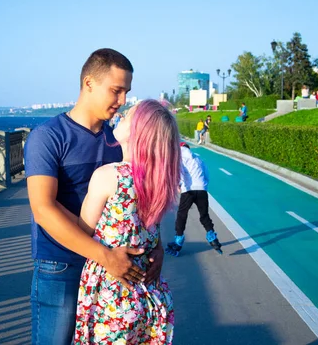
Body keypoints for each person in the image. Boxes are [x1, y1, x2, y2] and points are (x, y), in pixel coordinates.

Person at [25, 48, 164, 344]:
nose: (123, 101)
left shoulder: (120, 140)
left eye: (126, 92)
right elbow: (43, 209)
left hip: (109, 270)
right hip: (61, 264)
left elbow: (144, 196)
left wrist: (158, 247)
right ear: (89, 83)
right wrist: (104, 255)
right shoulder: (48, 137)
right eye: (116, 91)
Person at [73, 99, 179, 344]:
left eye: (129, 115)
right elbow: (153, 236)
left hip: (113, 296)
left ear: (137, 133)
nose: (120, 115)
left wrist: (50, 205)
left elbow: (82, 230)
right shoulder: (159, 180)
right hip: (151, 294)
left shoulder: (108, 176)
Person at [165, 142, 221, 257]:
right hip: (202, 189)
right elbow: (206, 174)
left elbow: (178, 172)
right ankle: (212, 237)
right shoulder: (198, 158)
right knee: (204, 215)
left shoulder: (179, 158)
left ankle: (178, 240)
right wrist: (203, 186)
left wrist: (178, 184)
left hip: (188, 190)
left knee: (182, 214)